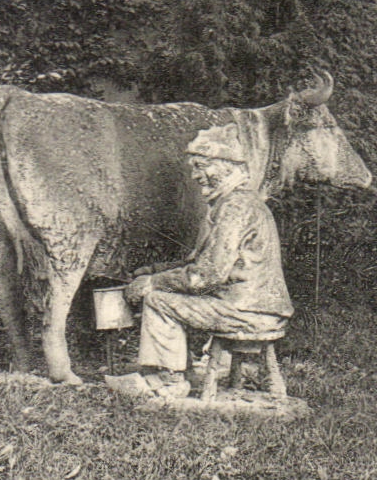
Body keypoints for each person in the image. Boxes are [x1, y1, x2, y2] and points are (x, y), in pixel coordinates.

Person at [119, 124, 294, 399]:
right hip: (255, 305)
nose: (196, 175)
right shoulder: (235, 203)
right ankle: (180, 371)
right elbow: (198, 261)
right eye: (195, 168)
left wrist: (152, 283)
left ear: (225, 166)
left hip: (248, 310)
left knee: (157, 300)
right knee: (161, 291)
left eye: (202, 167)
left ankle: (169, 382)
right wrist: (152, 271)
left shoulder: (235, 208)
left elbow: (206, 276)